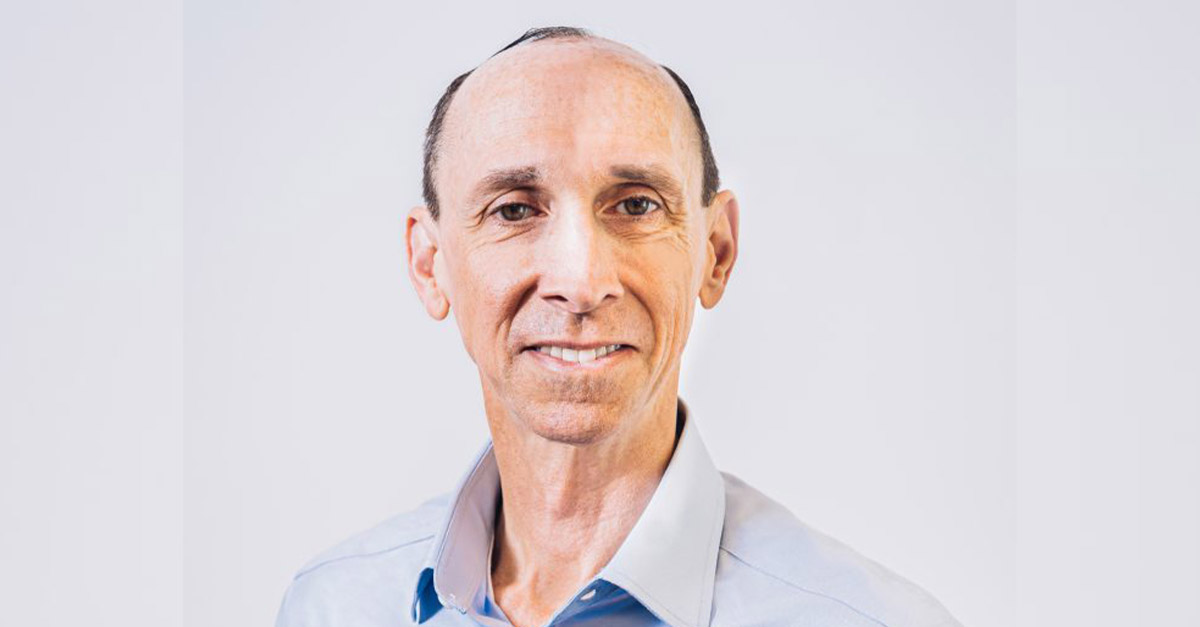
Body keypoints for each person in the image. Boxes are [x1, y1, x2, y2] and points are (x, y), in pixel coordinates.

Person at [275, 26, 962, 627]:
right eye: (514, 210)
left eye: (635, 205)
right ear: (430, 265)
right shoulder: (332, 608)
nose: (580, 281)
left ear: (715, 252)